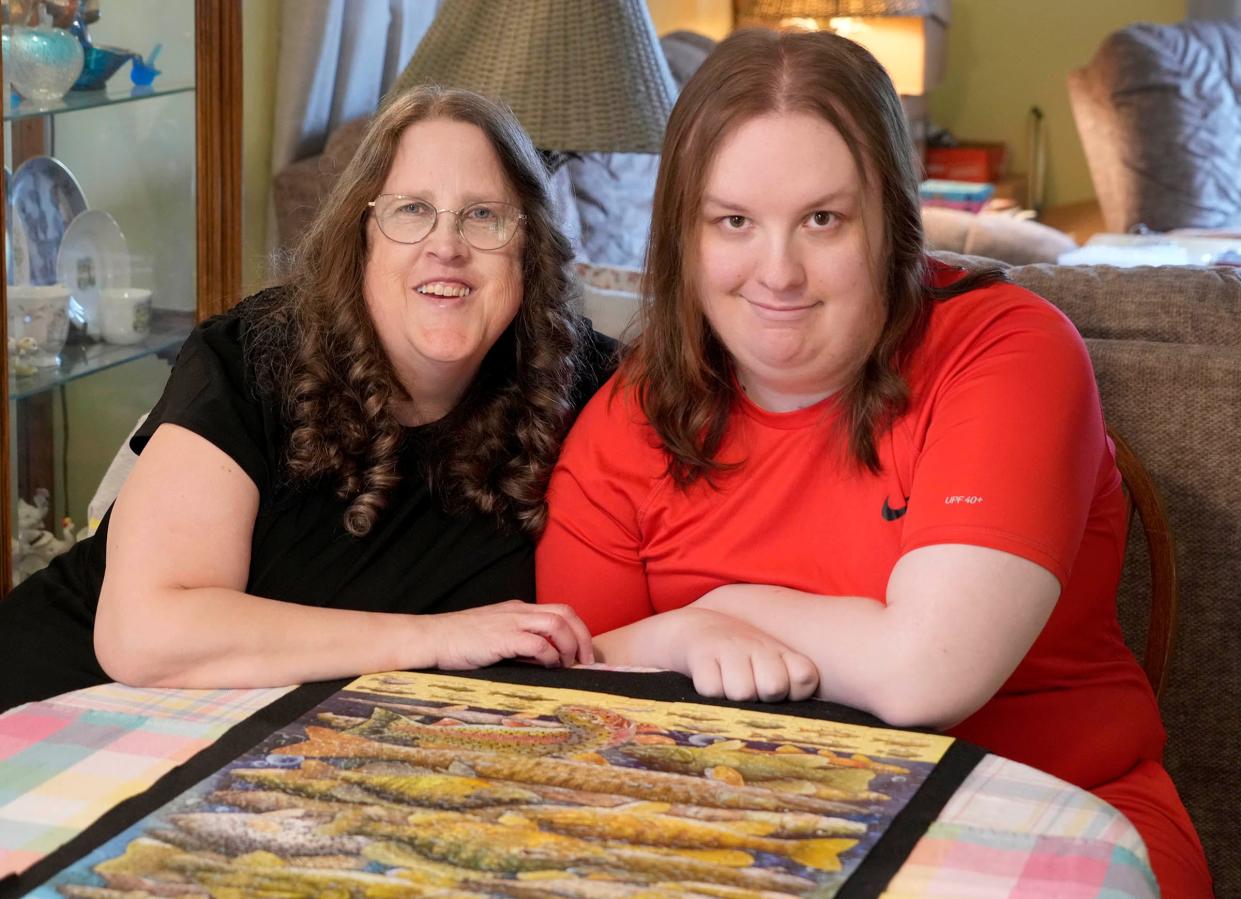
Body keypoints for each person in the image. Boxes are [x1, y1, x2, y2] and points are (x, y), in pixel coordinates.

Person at [536, 29, 1212, 896]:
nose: (777, 273)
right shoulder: (627, 418)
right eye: (733, 221)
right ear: (683, 237)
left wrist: (720, 609)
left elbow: (925, 671)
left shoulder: (1008, 351)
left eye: (822, 219)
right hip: (734, 842)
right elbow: (565, 704)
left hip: (1046, 823)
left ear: (890, 219)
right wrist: (682, 638)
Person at [0, 85, 611, 713]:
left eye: (484, 214)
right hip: (62, 715)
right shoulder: (253, 357)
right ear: (361, 241)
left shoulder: (583, 382)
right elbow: (144, 635)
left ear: (530, 248)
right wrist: (439, 639)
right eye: (410, 211)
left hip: (288, 756)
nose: (447, 245)